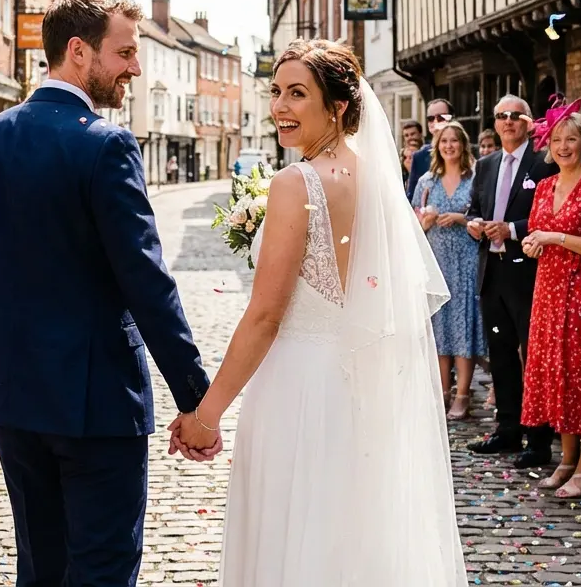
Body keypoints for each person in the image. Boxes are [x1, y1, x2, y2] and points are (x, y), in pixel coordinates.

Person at [0, 0, 214, 585]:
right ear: (78, 50)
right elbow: (146, 281)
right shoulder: (105, 144)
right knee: (103, 570)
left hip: (13, 398)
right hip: (96, 404)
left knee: (40, 569)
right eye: (124, 52)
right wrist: (195, 397)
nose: (135, 68)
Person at [198, 39, 464, 584]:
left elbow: (265, 317)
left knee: (294, 535)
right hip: (358, 390)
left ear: (338, 106)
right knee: (350, 535)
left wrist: (206, 415)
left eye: (297, 93)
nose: (280, 106)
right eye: (276, 92)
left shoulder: (295, 183)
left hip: (297, 389)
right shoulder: (378, 182)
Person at [518, 104, 581, 498]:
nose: (563, 146)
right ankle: (567, 459)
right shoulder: (545, 186)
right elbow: (537, 235)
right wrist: (533, 244)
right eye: (557, 139)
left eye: (571, 139)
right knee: (557, 375)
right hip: (547, 290)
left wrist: (554, 238)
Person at [465, 94, 558, 469]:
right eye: (501, 115)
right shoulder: (486, 164)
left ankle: (538, 439)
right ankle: (507, 429)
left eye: (516, 115)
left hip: (529, 272)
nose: (508, 121)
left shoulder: (544, 162)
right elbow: (475, 209)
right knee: (500, 355)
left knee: (532, 356)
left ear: (529, 122)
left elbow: (551, 215)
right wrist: (474, 224)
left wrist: (513, 229)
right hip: (492, 270)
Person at [411, 121, 485, 420]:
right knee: (440, 327)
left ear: (463, 145)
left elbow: (484, 219)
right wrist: (425, 222)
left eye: (454, 140)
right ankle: (442, 390)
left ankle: (463, 393)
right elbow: (412, 225)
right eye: (444, 141)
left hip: (466, 260)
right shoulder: (426, 181)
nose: (449, 145)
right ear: (437, 146)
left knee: (463, 325)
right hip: (437, 261)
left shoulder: (475, 178)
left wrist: (460, 218)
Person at [406, 98, 455, 202]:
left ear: (452, 118)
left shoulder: (464, 151)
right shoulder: (419, 157)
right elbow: (412, 197)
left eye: (441, 117)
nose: (435, 122)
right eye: (431, 118)